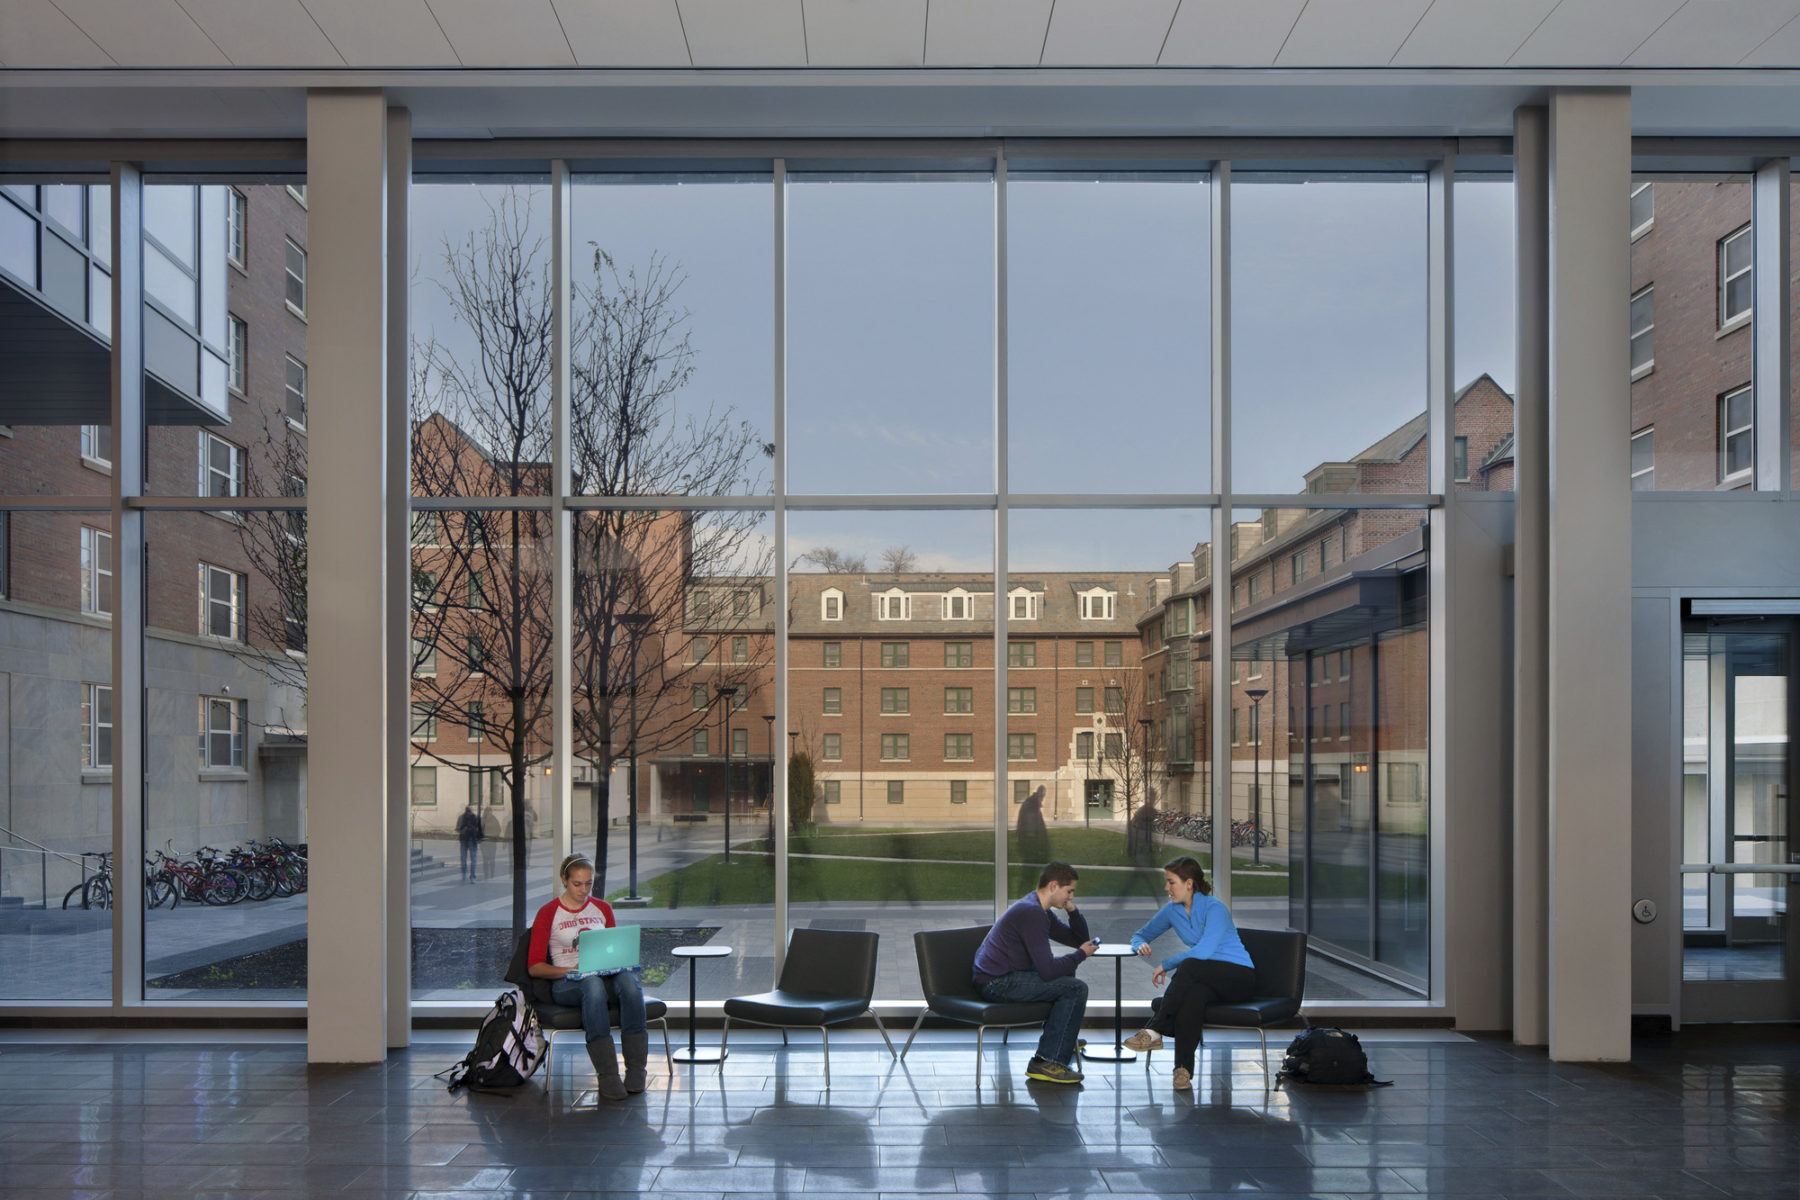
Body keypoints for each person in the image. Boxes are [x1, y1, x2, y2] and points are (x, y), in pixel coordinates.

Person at [1125, 856, 1254, 1091]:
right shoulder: (1172, 910)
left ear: (1189, 883)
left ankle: (1155, 1029)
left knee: (1190, 965)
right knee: (1192, 997)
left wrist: (1166, 963)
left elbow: (1204, 952)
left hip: (1238, 978)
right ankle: (1182, 1071)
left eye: (1171, 882)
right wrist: (1139, 945)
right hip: (1204, 979)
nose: (1167, 888)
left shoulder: (1215, 908)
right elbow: (1139, 935)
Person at [528, 853, 649, 1099]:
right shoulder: (548, 913)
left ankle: (637, 1069)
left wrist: (620, 962)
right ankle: (608, 1075)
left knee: (629, 983)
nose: (583, 890)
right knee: (592, 984)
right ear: (564, 879)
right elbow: (534, 967)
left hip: (603, 976)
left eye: (588, 884)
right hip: (566, 982)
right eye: (577, 884)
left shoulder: (602, 908)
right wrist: (573, 971)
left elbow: (614, 949)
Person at [971, 861, 1098, 1085]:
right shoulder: (1032, 913)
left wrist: (1072, 910)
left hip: (1004, 976)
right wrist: (1080, 955)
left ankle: (1061, 1041)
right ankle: (1047, 1060)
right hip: (997, 983)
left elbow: (1079, 940)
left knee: (1069, 979)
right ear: (1053, 886)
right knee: (1076, 988)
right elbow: (1048, 970)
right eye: (1069, 892)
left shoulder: (1040, 910)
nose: (1070, 897)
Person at [454, 804, 482, 883]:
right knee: (467, 858)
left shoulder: (474, 818)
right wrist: (464, 829)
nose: (469, 813)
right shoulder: (463, 818)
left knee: (469, 858)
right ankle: (468, 875)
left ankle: (469, 875)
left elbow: (479, 829)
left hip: (469, 840)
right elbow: (457, 828)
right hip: (467, 840)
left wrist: (478, 837)